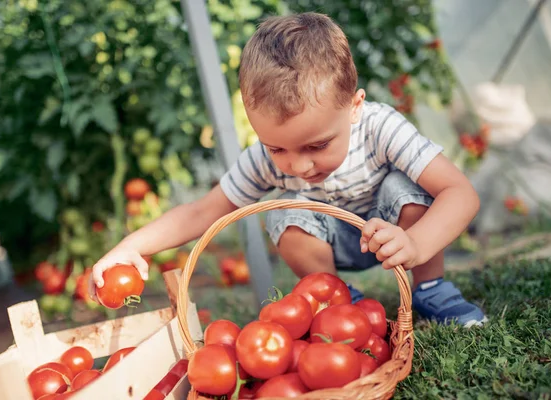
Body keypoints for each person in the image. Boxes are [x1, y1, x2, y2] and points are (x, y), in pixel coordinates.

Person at [91, 12, 487, 327]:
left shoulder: (380, 127)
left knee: (406, 184)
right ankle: (339, 299)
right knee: (285, 209)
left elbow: (461, 193)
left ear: (354, 106)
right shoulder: (263, 161)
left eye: (317, 145)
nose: (297, 164)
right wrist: (130, 247)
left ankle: (431, 288)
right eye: (276, 147)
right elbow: (202, 211)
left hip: (398, 233)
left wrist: (416, 243)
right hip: (330, 245)